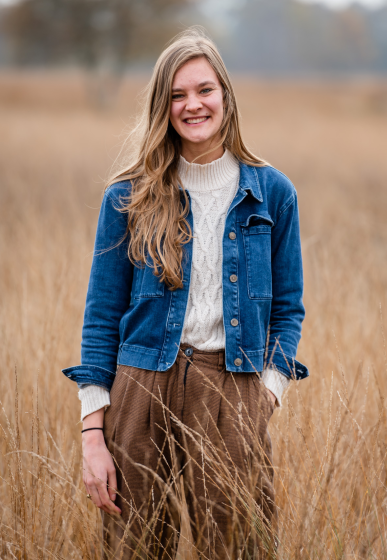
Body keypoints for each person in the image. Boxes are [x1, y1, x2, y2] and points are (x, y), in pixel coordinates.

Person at [62, 27, 308, 560]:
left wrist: (265, 394)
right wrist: (92, 436)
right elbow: (102, 316)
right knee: (136, 550)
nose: (192, 105)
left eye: (204, 90)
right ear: (162, 106)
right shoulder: (128, 196)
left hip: (232, 388)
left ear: (226, 96)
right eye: (177, 95)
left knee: (242, 547)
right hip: (140, 386)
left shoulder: (273, 193)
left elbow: (289, 311)